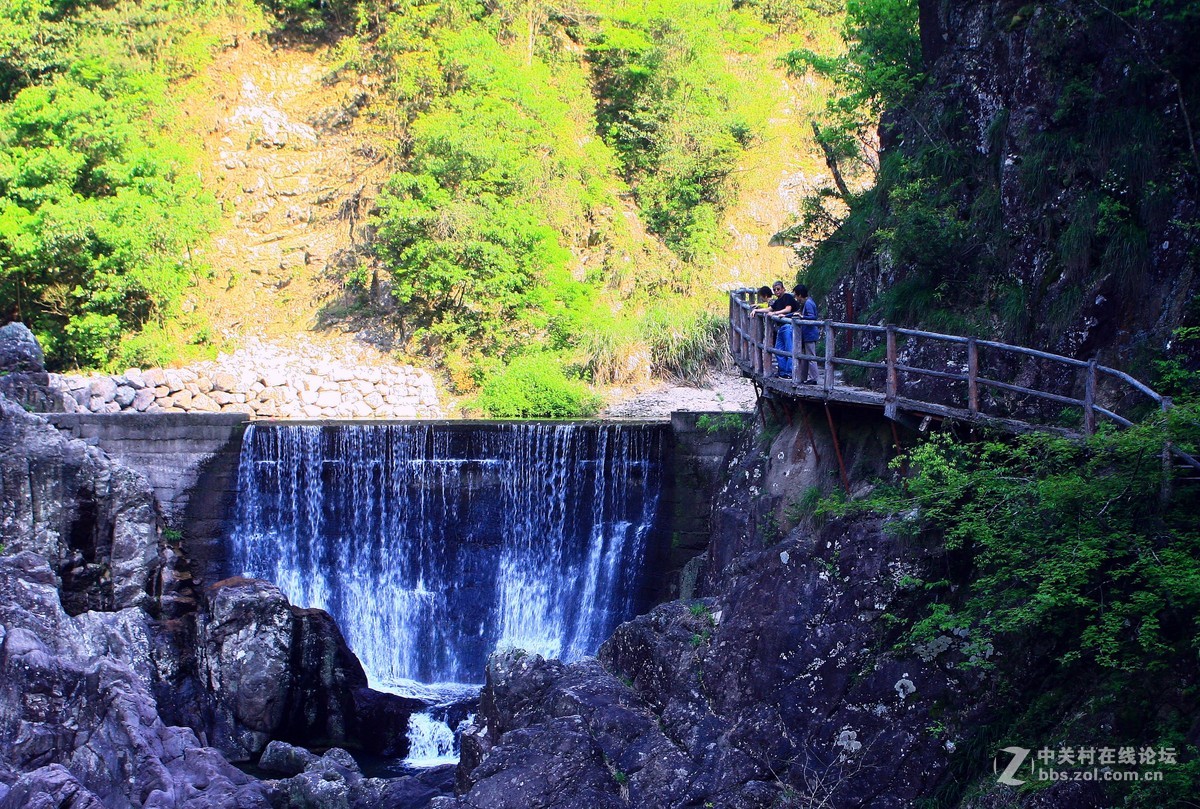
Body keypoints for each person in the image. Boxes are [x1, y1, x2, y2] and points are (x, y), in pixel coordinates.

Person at [753, 281, 797, 378]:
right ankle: (782, 372)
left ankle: (789, 373)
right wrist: (756, 310)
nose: (776, 291)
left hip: (788, 326)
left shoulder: (788, 297)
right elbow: (769, 309)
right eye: (774, 289)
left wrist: (775, 313)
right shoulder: (777, 301)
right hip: (781, 328)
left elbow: (788, 309)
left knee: (789, 349)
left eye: (778, 289)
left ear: (783, 289)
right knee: (778, 350)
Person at [793, 284, 820, 384]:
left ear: (800, 295)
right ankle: (803, 377)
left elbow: (813, 317)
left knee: (811, 356)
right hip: (807, 335)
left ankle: (814, 378)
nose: (796, 298)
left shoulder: (808, 303)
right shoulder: (807, 302)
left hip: (810, 334)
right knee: (805, 357)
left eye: (796, 296)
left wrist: (802, 317)